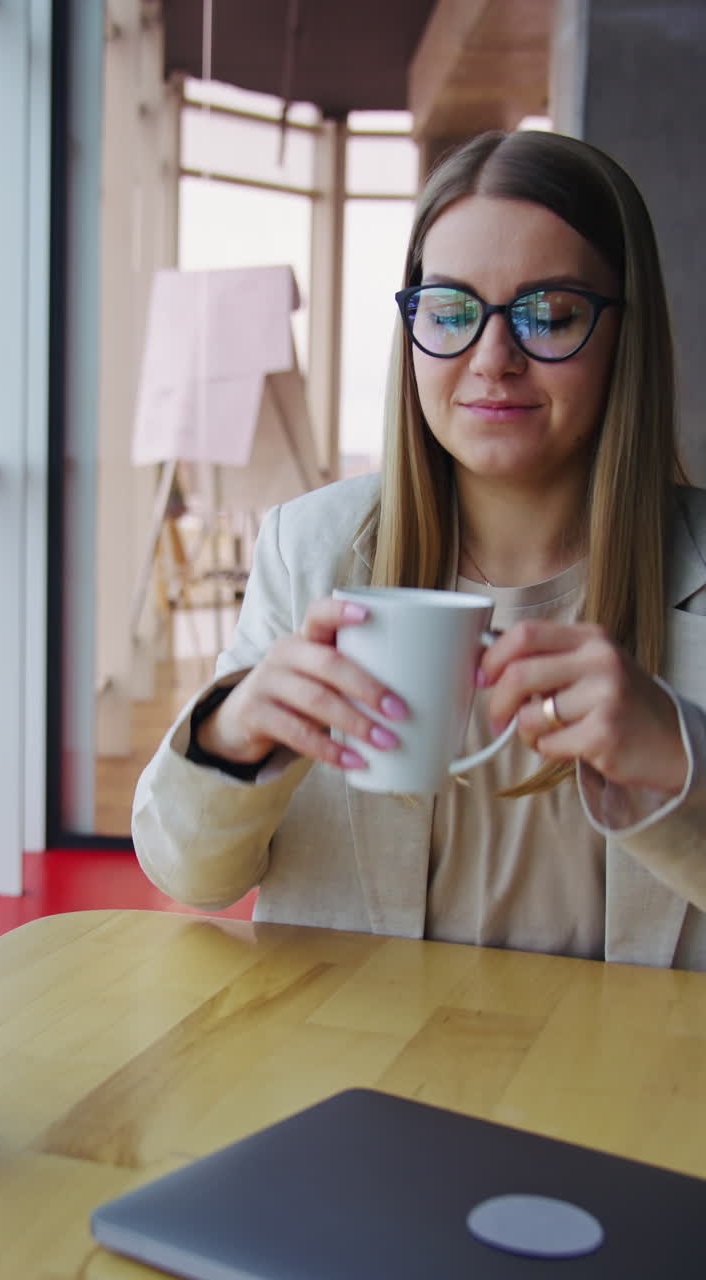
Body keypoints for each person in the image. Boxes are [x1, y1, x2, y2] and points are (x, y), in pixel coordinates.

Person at [133, 129, 706, 969]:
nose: (492, 359)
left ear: (627, 332)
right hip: (366, 1068)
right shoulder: (313, 550)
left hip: (634, 1087)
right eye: (450, 312)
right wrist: (235, 733)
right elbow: (191, 876)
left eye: (550, 314)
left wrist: (679, 754)